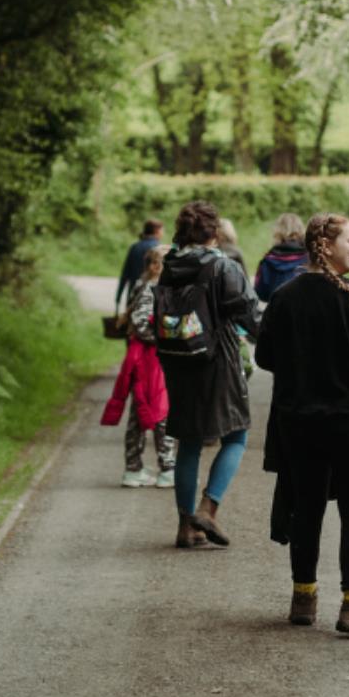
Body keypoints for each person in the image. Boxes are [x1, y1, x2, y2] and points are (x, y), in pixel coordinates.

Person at [255, 212, 349, 639]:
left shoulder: (285, 297)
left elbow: (265, 358)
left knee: (306, 509)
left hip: (299, 425)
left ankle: (304, 598)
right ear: (327, 247)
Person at [155, 200, 259, 549]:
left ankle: (186, 527)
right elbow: (248, 314)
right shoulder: (223, 267)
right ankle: (208, 508)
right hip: (218, 361)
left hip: (178, 360)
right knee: (236, 435)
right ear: (214, 233)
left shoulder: (169, 265)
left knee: (189, 441)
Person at [102, 245, 175, 489]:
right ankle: (166, 468)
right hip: (149, 361)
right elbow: (142, 325)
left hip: (148, 359)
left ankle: (135, 468)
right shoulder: (150, 289)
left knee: (143, 411)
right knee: (159, 412)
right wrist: (170, 336)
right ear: (155, 267)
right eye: (169, 263)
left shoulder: (147, 287)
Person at [254, 213, 309, 301]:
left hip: (277, 311)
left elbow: (260, 293)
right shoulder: (310, 258)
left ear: (277, 232)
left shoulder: (267, 261)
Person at [115, 219, 164, 313]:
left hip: (133, 295)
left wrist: (118, 298)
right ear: (156, 231)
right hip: (150, 298)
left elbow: (125, 274)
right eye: (162, 230)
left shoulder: (134, 247)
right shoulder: (158, 250)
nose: (162, 233)